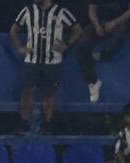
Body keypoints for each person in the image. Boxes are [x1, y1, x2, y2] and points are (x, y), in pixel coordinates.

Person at [11, 0, 82, 135]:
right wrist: (20, 48)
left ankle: (47, 125)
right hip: (32, 59)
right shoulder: (28, 11)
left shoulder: (60, 11)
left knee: (50, 93)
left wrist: (66, 44)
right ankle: (23, 123)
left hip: (53, 61)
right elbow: (14, 29)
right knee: (27, 91)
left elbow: (78, 29)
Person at [75, 1, 130, 103]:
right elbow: (92, 10)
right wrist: (97, 26)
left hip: (120, 22)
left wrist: (115, 22)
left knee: (121, 33)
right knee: (82, 45)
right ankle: (93, 82)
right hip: (99, 22)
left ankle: (104, 55)